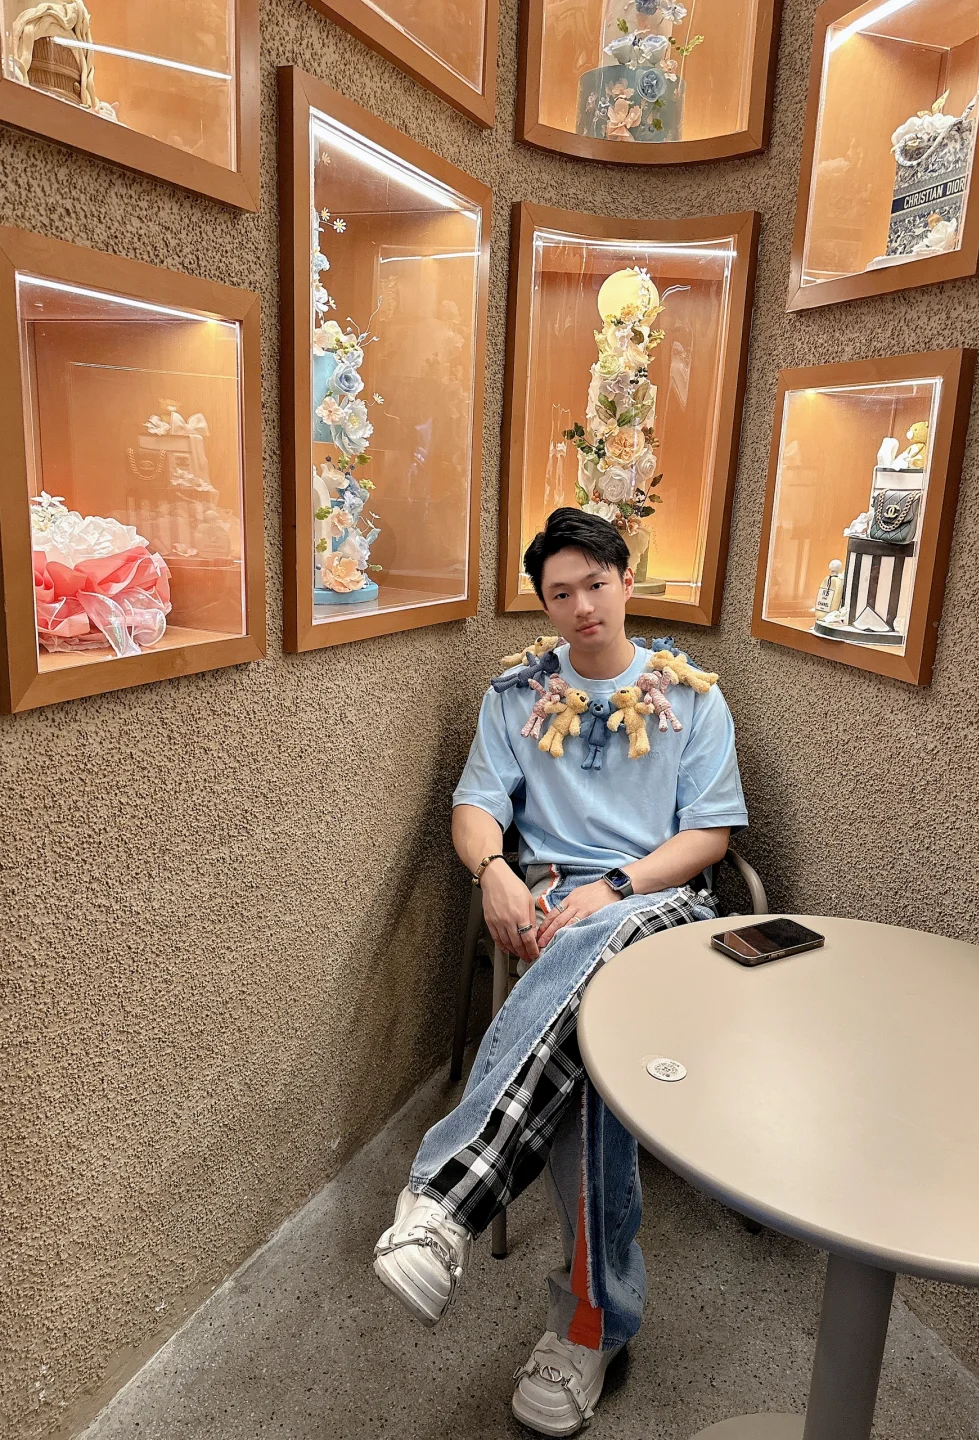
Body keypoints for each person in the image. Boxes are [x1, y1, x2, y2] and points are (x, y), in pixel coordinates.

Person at [373, 508, 748, 1434]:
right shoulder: (516, 695)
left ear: (626, 581)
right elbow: (475, 806)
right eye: (560, 593)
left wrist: (615, 886)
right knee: (590, 1060)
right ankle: (590, 1328)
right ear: (543, 604)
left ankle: (442, 1200)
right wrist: (492, 870)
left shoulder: (692, 698)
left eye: (596, 584)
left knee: (601, 957)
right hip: (548, 906)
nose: (582, 606)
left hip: (654, 904)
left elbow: (709, 835)